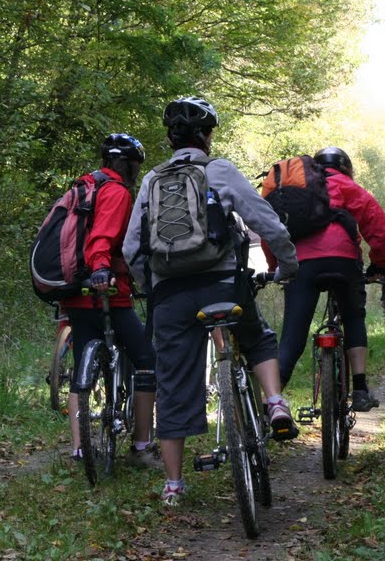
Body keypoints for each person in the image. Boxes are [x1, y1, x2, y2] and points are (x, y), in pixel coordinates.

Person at [123, 96, 300, 507]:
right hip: (223, 284)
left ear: (170, 138)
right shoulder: (218, 170)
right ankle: (274, 402)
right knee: (256, 338)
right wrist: (288, 265)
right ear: (207, 136)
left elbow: (132, 247)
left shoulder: (150, 180)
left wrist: (151, 286)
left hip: (170, 296)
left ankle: (173, 486)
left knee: (173, 381)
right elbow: (265, 221)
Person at [271, 146, 385, 413]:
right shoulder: (348, 186)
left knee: (292, 333)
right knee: (352, 317)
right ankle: (360, 389)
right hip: (343, 261)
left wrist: (276, 268)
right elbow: (380, 228)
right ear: (346, 168)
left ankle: (271, 405)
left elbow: (272, 227)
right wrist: (378, 264)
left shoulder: (296, 190)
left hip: (300, 264)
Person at [60, 133, 159, 469]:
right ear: (129, 165)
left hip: (74, 290)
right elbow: (102, 236)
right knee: (146, 361)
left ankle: (79, 448)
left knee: (80, 368)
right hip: (107, 291)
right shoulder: (115, 191)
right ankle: (142, 447)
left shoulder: (82, 186)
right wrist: (102, 269)